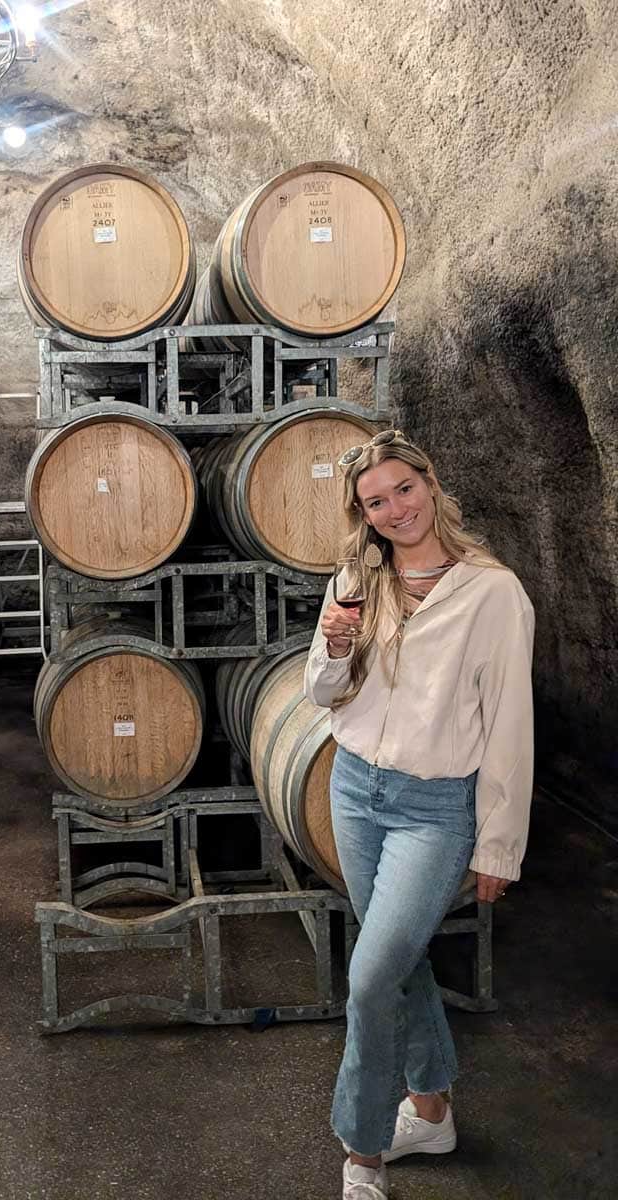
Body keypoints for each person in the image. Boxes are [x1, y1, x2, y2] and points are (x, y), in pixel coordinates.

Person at [304, 429, 535, 1200]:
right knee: (398, 966)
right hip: (354, 790)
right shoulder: (356, 577)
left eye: (404, 489)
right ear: (364, 515)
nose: (394, 508)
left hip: (434, 809)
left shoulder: (492, 591)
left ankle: (362, 1152)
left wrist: (499, 844)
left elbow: (509, 724)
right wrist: (334, 648)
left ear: (431, 486)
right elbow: (323, 693)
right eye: (376, 501)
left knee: (370, 980)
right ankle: (430, 1113)